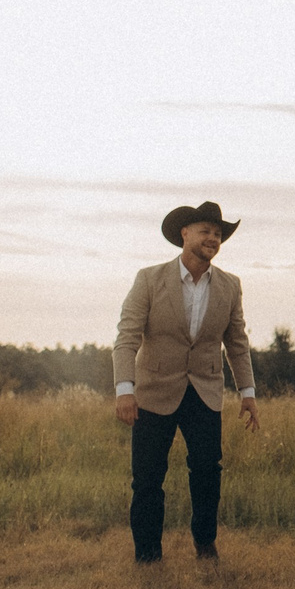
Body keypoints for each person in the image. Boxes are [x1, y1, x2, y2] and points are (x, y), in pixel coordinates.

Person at [113, 201, 258, 563]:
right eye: (206, 230)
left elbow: (237, 342)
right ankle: (148, 554)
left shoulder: (230, 285)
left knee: (208, 472)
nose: (213, 237)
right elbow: (126, 337)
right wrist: (124, 390)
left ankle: (205, 542)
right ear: (185, 234)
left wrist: (248, 393)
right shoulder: (149, 279)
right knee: (147, 478)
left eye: (218, 233)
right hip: (152, 392)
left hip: (205, 392)